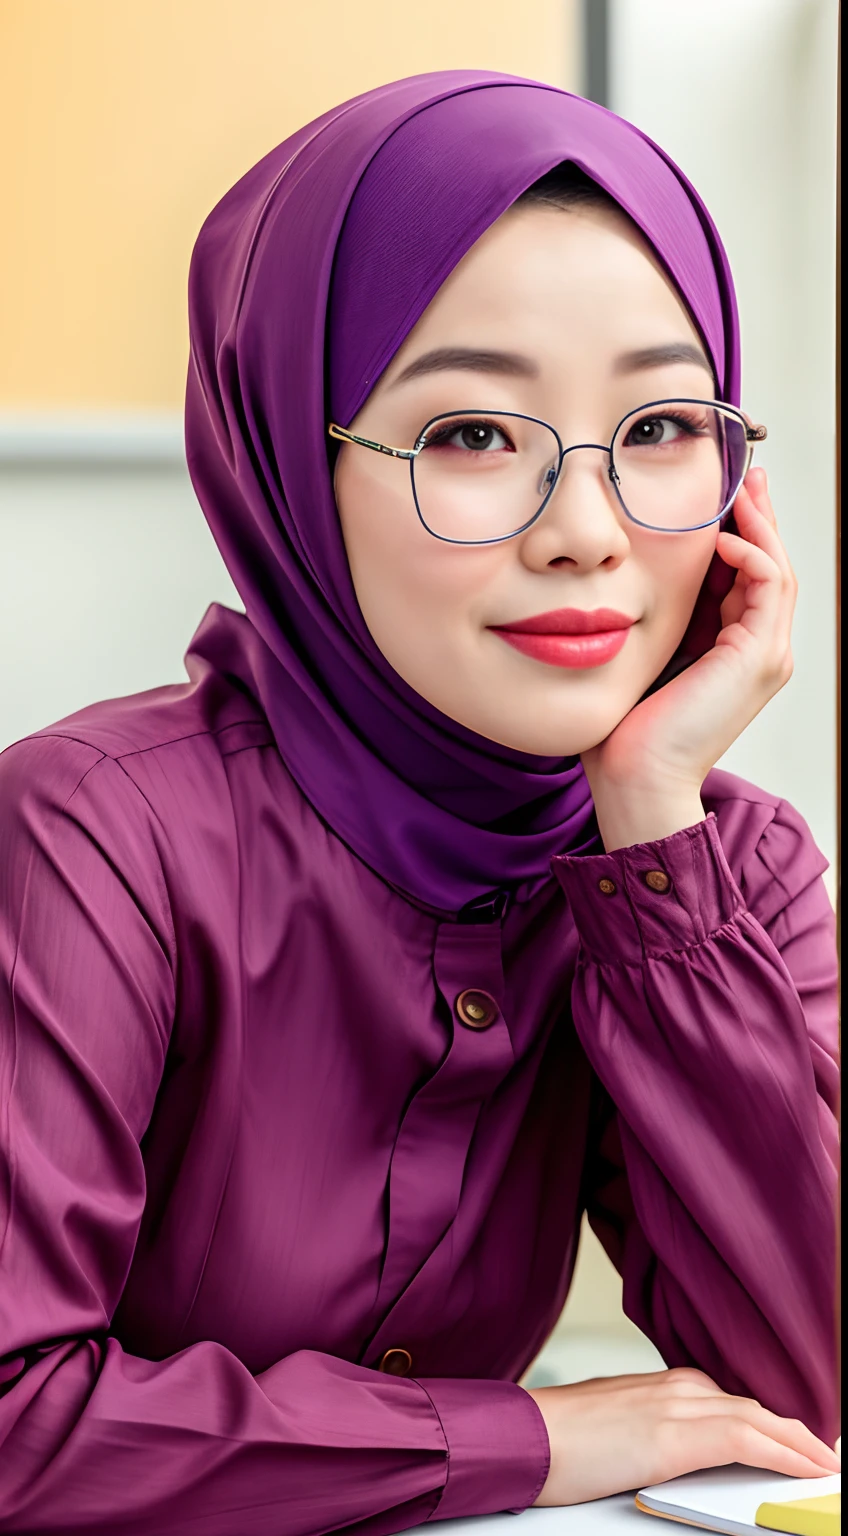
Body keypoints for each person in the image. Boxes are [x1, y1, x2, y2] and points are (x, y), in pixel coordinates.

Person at [0, 68, 840, 1534]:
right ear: (290, 463)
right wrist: (518, 1439)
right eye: (470, 437)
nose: (588, 537)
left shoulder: (723, 870)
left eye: (659, 430)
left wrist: (649, 820)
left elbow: (808, 1401)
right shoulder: (92, 839)